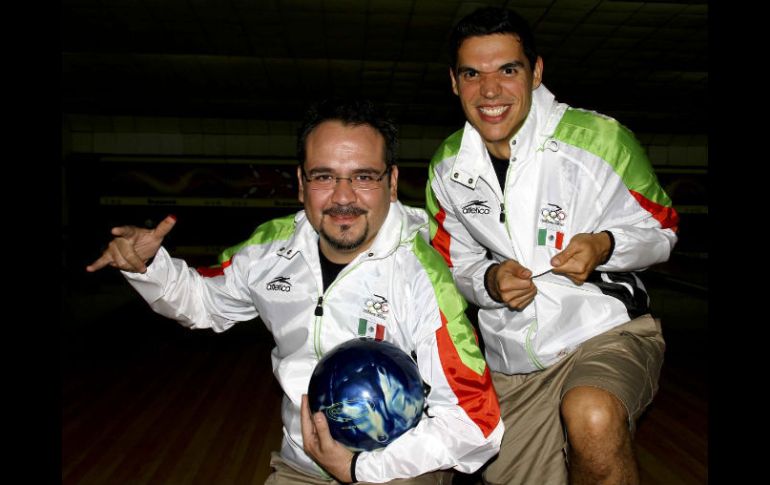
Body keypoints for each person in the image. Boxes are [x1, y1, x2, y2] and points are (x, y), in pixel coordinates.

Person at [87, 98, 503, 484]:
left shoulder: (423, 272)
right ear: (301, 183)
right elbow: (203, 301)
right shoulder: (270, 248)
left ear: (391, 183)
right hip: (302, 464)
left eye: (363, 176)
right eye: (324, 176)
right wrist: (148, 267)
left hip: (400, 467)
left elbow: (475, 423)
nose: (343, 197)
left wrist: (360, 467)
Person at [425, 7, 679, 485]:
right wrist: (489, 282)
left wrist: (606, 245)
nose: (490, 90)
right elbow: (453, 265)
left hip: (604, 334)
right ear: (455, 83)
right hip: (513, 361)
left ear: (536, 72)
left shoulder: (601, 141)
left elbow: (662, 231)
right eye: (472, 74)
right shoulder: (447, 170)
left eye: (508, 70)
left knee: (594, 414)